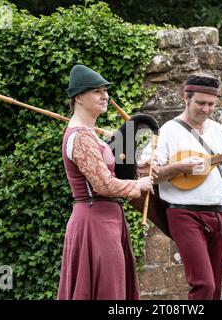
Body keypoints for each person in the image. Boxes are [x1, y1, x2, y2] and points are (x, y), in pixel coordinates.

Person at [138, 73, 222, 300]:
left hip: (218, 214)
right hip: (183, 214)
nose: (206, 109)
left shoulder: (218, 131)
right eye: (200, 103)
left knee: (215, 288)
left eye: (211, 104)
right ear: (186, 98)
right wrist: (179, 167)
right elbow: (146, 174)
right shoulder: (168, 131)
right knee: (203, 285)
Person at [57, 65, 154, 300]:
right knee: (107, 292)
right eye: (97, 91)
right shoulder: (81, 137)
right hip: (94, 222)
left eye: (105, 91)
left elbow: (107, 169)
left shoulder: (90, 134)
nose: (105, 96)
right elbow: (103, 185)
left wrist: (137, 168)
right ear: (78, 97)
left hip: (106, 220)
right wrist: (137, 187)